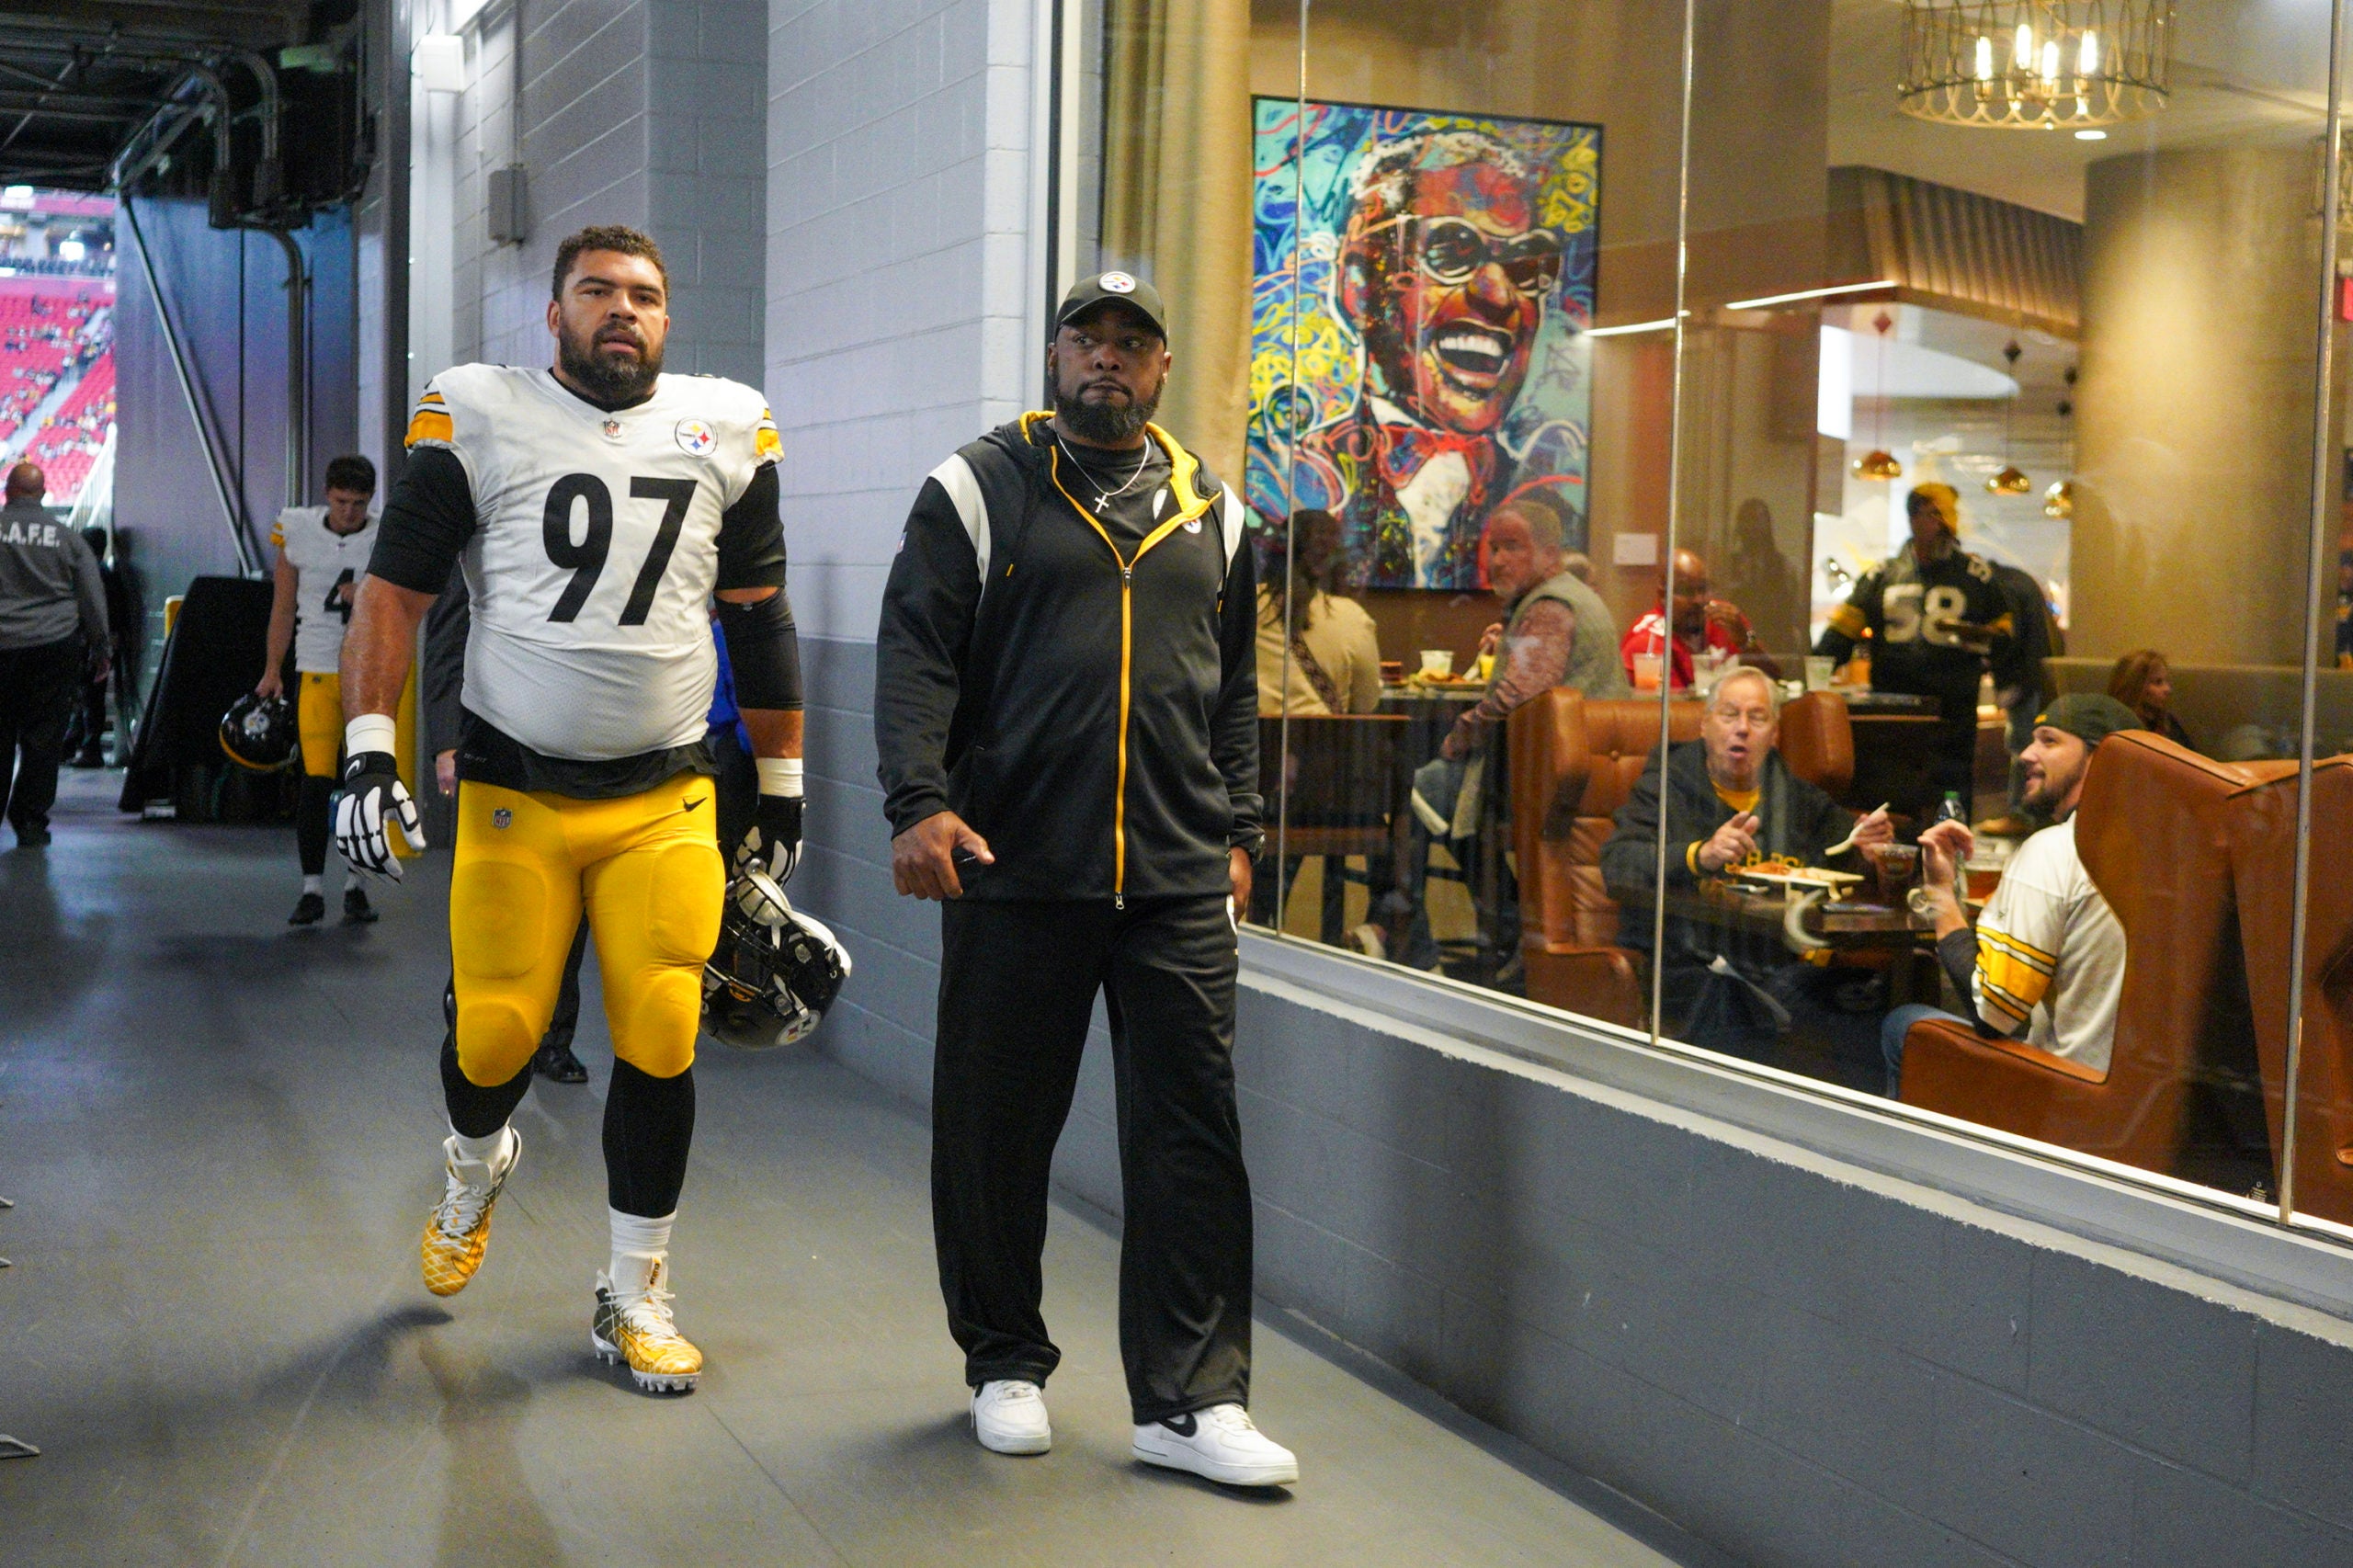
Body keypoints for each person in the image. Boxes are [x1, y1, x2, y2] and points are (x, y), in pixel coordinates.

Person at [334, 224, 806, 1395]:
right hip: (515, 786)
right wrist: (366, 749)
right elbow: (395, 592)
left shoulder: (727, 424)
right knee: (493, 1036)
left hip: (665, 791)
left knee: (660, 1025)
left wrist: (786, 779)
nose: (621, 311)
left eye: (644, 294)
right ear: (550, 314)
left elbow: (758, 612)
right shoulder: (478, 407)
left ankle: (633, 1291)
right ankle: (475, 1155)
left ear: (667, 316)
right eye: (595, 291)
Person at [875, 272, 1295, 1487]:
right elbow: (915, 658)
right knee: (998, 1131)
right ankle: (1004, 1358)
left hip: (1174, 880)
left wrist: (1242, 828)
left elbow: (1233, 688)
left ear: (1162, 369)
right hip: (1018, 869)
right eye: (1086, 339)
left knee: (1192, 1142)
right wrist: (921, 800)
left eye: (1132, 343)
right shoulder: (978, 488)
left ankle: (1192, 1399)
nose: (1106, 359)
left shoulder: (1213, 510)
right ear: (1054, 358)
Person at [1290, 128, 1583, 589]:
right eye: (1451, 251)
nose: (1499, 294)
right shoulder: (1298, 483)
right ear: (1361, 285)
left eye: (1527, 265)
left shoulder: (1545, 505)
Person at [1599, 667, 1894, 1074]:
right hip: (1692, 966)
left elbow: (1843, 852)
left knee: (1874, 1009)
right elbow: (1618, 864)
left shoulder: (1793, 794)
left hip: (1782, 963)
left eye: (1757, 718)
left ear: (1774, 733)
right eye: (1729, 715)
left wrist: (1868, 850)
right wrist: (1700, 855)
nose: (1742, 729)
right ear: (1704, 724)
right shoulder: (1667, 783)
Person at [1881, 694, 2138, 1095]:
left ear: (2102, 758)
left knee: (1903, 1024)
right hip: (2136, 1100)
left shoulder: (2057, 850)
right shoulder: (2160, 850)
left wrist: (1942, 897)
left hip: (2067, 1096)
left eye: (2049, 741)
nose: (2026, 755)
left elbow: (1996, 1013)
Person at [422, 571, 592, 1084]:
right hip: (492, 746)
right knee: (487, 903)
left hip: (572, 750)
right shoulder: (480, 552)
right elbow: (447, 647)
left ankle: (554, 1041)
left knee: (568, 907)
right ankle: (469, 1026)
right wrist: (447, 744)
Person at [1813, 483, 2013, 807]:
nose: (1948, 524)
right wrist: (1812, 682)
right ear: (1913, 519)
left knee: (1950, 805)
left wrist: (1981, 640)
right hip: (1895, 719)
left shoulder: (1978, 576)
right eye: (1936, 514)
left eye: (1952, 513)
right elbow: (1836, 642)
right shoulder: (1881, 576)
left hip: (1953, 718)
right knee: (1893, 801)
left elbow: (2006, 639)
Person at [256, 454, 382, 925]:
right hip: (316, 666)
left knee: (364, 782)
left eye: (358, 502)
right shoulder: (297, 529)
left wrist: (369, 592)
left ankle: (357, 882)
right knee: (315, 780)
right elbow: (283, 606)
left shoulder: (385, 534)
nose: (349, 512)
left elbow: (407, 602)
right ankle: (311, 886)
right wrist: (272, 668)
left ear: (372, 499)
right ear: (326, 495)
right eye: (340, 501)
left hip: (371, 672)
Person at [0, 460, 108, 847]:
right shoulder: (68, 538)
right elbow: (92, 597)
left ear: (8, 492)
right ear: (42, 495)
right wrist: (101, 646)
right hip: (52, 647)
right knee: (43, 739)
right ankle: (29, 821)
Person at [1256, 507, 1381, 716]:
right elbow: (1366, 704)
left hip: (1252, 743)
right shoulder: (1352, 617)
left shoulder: (1244, 605)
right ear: (1336, 560)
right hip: (1324, 743)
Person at [1620, 547, 1779, 691]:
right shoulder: (1647, 640)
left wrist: (1746, 642)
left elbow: (1774, 680)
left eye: (1703, 589)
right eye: (1686, 591)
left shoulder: (1725, 620)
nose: (1698, 600)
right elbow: (1674, 710)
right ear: (1663, 595)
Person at [2107, 649, 2195, 753]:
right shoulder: (2113, 726)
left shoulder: (2168, 723)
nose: (2167, 689)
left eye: (2166, 681)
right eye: (2158, 682)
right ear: (2136, 687)